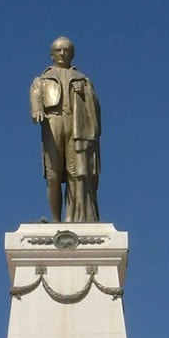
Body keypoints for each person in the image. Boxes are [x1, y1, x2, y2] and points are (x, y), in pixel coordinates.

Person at [30, 36, 101, 222]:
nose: (62, 53)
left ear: (72, 54)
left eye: (66, 50)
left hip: (75, 125)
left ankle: (71, 217)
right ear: (52, 54)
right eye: (58, 50)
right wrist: (37, 109)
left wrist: (85, 93)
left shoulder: (82, 79)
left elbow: (95, 107)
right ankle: (56, 219)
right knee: (53, 175)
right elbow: (36, 96)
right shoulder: (42, 79)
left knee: (74, 171)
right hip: (53, 121)